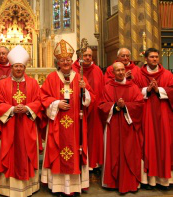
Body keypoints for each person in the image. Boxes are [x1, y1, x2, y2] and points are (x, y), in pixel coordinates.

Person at [41, 39, 96, 195]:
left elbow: (89, 101)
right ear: (58, 62)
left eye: (67, 60)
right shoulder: (51, 78)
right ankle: (58, 186)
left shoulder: (80, 78)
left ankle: (74, 186)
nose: (65, 63)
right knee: (57, 151)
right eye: (62, 60)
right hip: (57, 124)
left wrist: (85, 91)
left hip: (76, 125)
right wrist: (56, 104)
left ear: (72, 61)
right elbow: (43, 98)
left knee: (74, 151)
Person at [0, 45, 42, 197]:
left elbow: (40, 101)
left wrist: (27, 108)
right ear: (11, 67)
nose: (18, 69)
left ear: (25, 67)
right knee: (9, 153)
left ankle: (29, 187)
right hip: (10, 125)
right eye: (16, 66)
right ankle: (8, 188)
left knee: (27, 152)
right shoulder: (2, 84)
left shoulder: (33, 83)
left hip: (27, 125)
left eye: (21, 66)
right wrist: (12, 109)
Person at [99, 62, 144, 193]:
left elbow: (140, 104)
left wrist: (126, 106)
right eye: (117, 70)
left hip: (129, 126)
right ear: (112, 73)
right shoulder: (107, 87)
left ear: (125, 71)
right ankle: (113, 183)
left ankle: (130, 182)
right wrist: (115, 106)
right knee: (113, 153)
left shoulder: (133, 87)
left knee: (130, 153)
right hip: (113, 125)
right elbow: (101, 106)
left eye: (122, 70)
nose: (120, 72)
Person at [133, 48, 173, 189]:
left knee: (164, 143)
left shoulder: (167, 74)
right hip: (146, 113)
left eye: (156, 57)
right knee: (147, 143)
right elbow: (132, 92)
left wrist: (159, 90)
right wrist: (147, 90)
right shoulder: (138, 74)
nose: (155, 59)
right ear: (146, 58)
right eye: (151, 57)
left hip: (163, 115)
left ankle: (164, 180)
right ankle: (148, 180)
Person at [72, 46, 105, 170]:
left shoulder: (97, 70)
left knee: (93, 136)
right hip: (77, 109)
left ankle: (93, 164)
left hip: (95, 109)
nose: (87, 57)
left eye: (89, 55)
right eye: (85, 55)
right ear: (79, 56)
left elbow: (101, 90)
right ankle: (79, 162)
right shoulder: (72, 69)